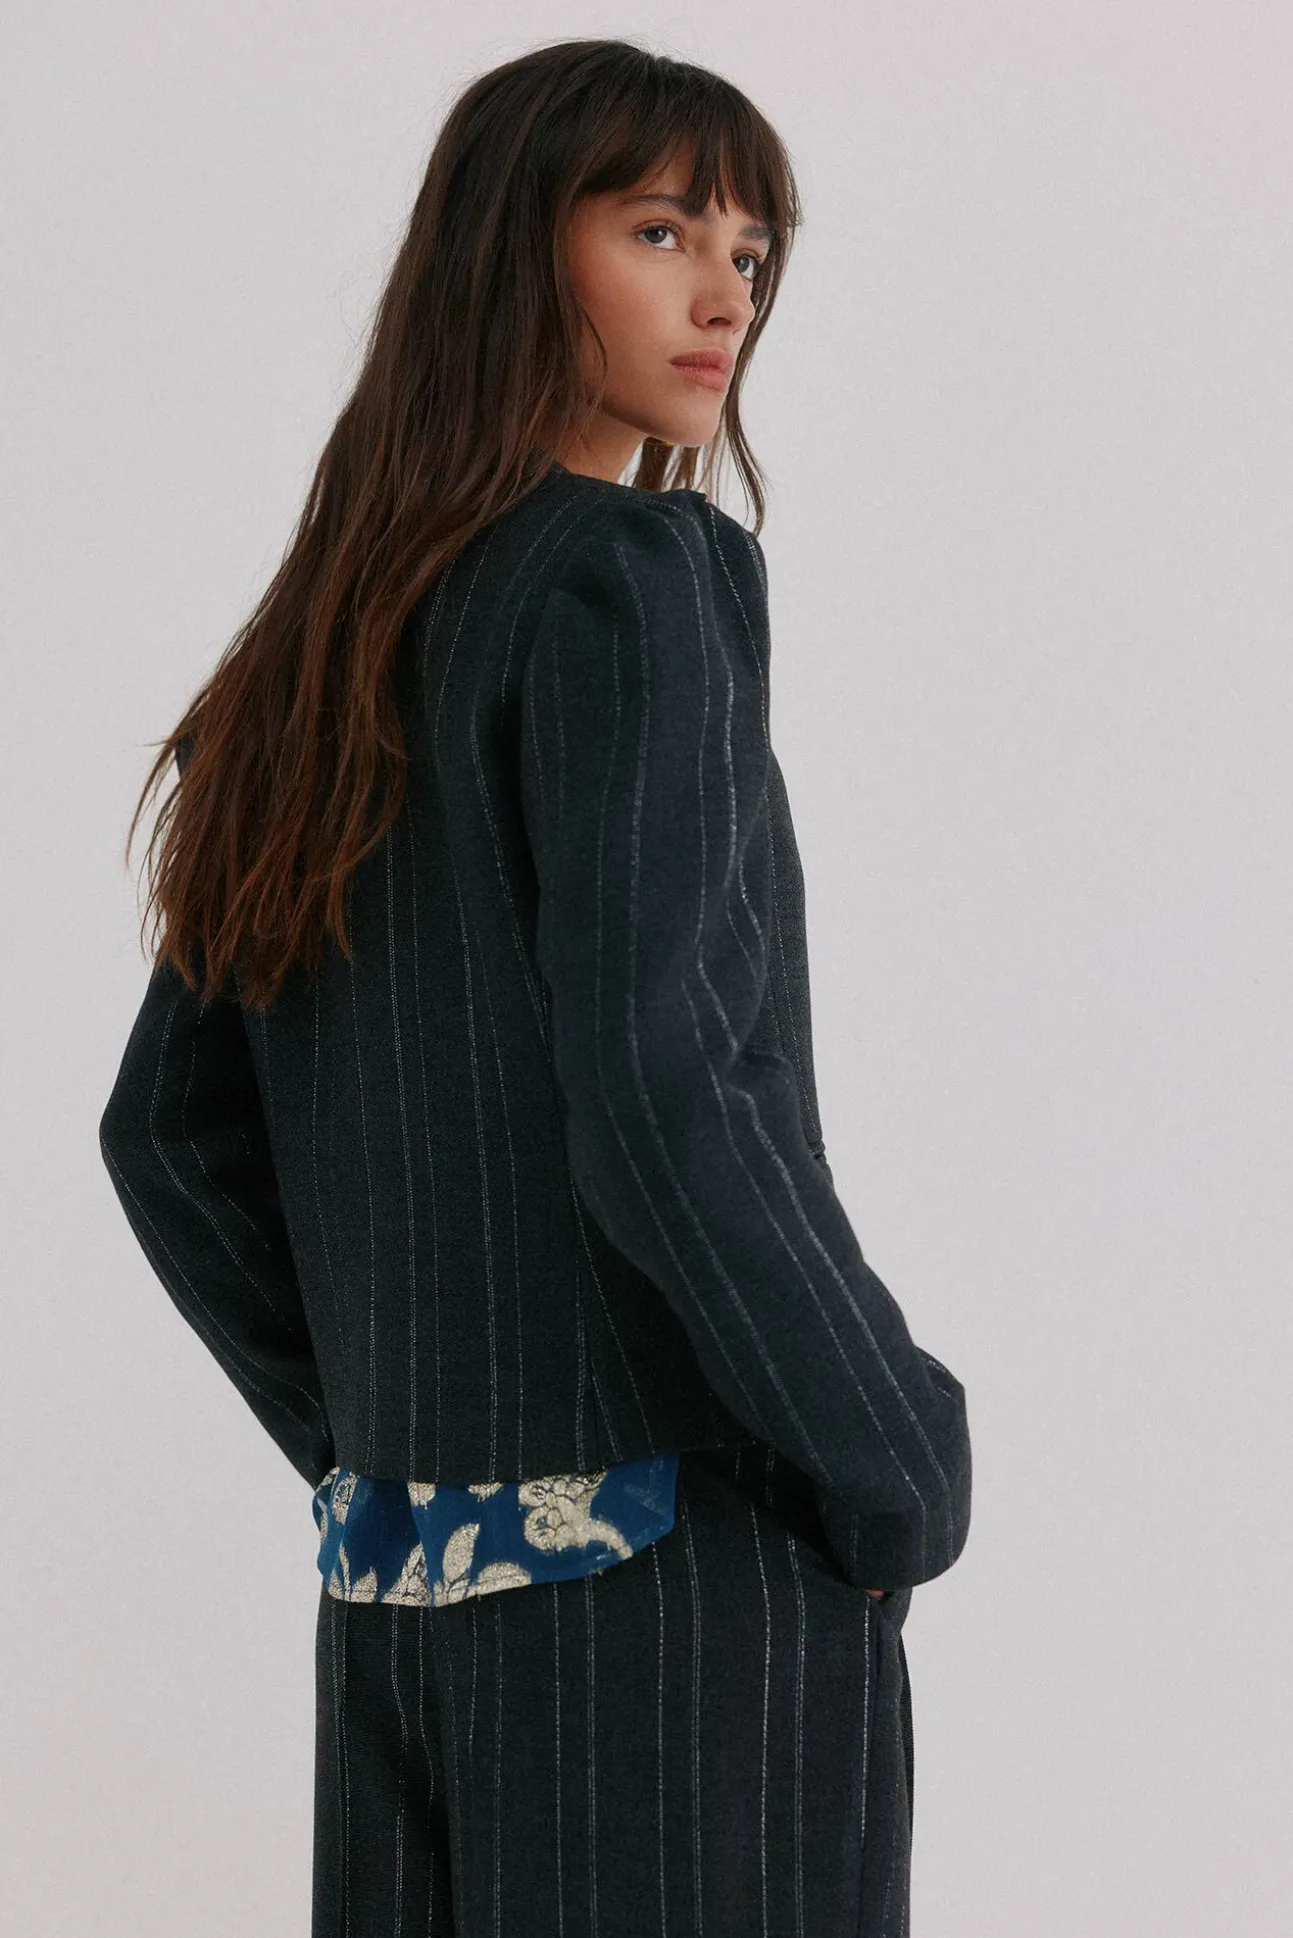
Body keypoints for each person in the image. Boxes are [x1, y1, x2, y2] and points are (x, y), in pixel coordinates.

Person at [98, 36, 972, 1937]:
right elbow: (663, 1083)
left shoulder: (327, 641)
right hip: (675, 1605)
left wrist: (395, 1453)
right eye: (662, 229)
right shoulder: (634, 580)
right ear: (513, 247)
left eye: (752, 249)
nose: (726, 292)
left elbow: (168, 1132)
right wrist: (891, 1446)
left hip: (400, 1596)